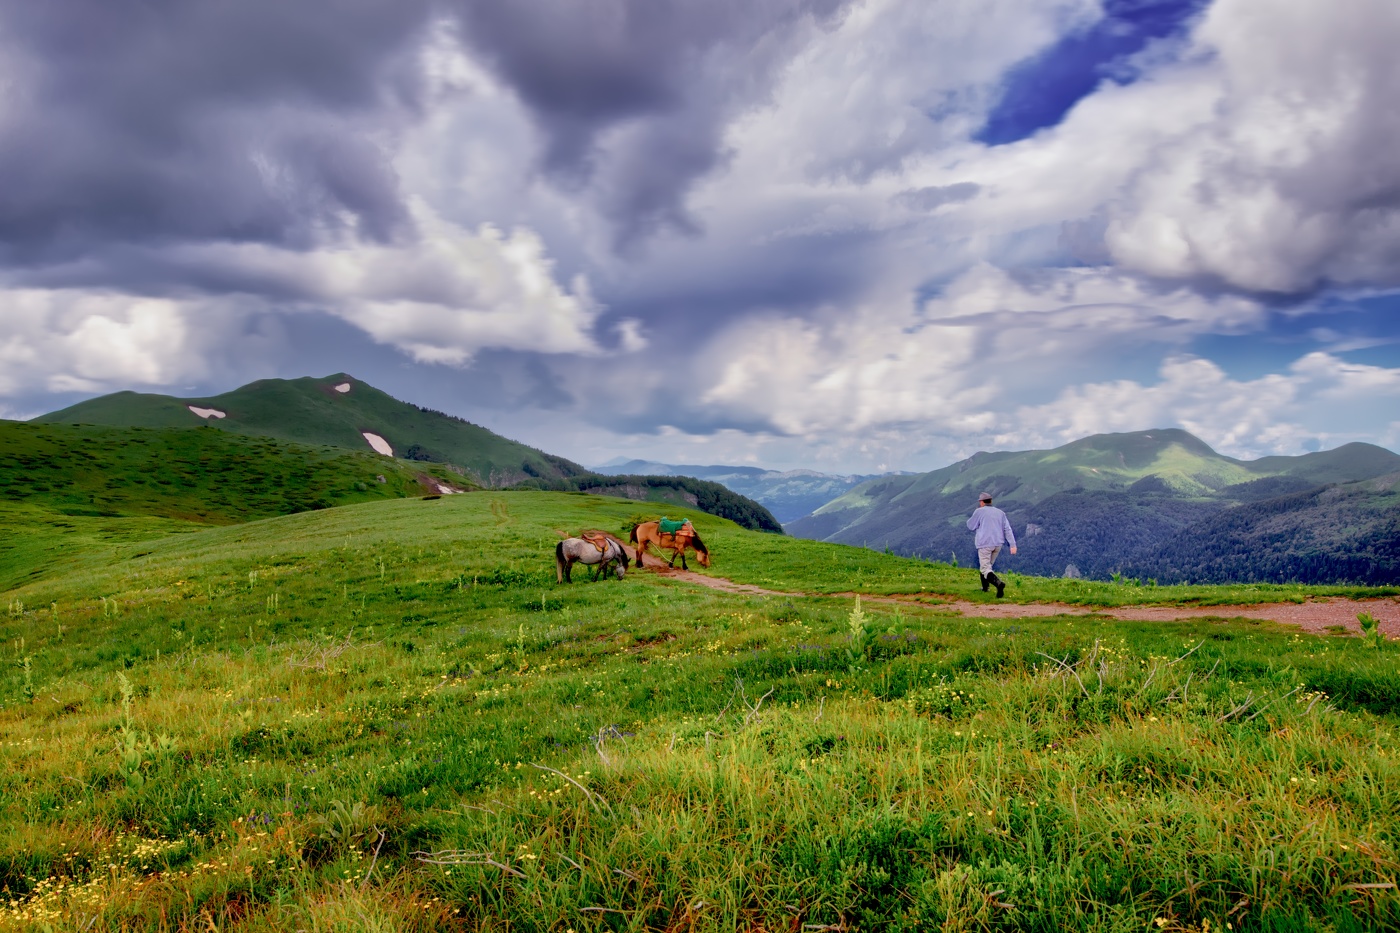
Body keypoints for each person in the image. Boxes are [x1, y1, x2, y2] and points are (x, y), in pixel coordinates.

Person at [966, 491, 1016, 597]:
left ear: (982, 502)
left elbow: (970, 526)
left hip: (984, 543)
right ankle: (985, 588)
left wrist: (975, 514)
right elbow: (1007, 529)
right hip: (998, 543)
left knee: (985, 568)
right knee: (987, 566)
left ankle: (999, 584)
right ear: (991, 501)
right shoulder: (1000, 513)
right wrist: (1012, 545)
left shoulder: (979, 511)